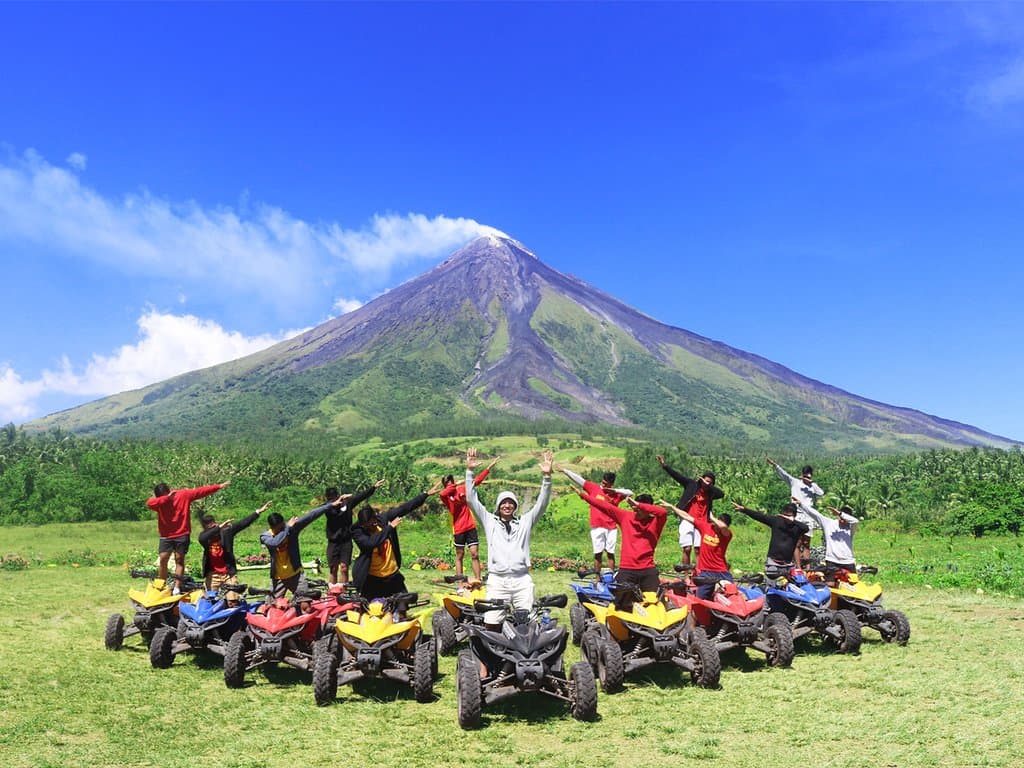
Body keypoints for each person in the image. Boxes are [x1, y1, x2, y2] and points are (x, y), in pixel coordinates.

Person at [465, 447, 553, 623]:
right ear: (498, 507)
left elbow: (541, 504)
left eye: (510, 503)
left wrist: (547, 478)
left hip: (521, 580)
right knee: (492, 621)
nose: (507, 506)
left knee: (527, 621)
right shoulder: (489, 521)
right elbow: (471, 499)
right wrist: (469, 471)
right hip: (497, 580)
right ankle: (494, 650)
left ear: (515, 506)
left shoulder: (525, 522)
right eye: (503, 503)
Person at [577, 490, 667, 610]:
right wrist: (584, 496)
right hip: (627, 569)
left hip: (647, 569)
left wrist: (639, 504)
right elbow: (605, 506)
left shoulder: (656, 522)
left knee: (657, 604)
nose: (637, 512)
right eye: (635, 509)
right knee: (621, 605)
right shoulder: (626, 517)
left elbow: (663, 512)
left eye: (640, 509)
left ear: (649, 510)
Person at [351, 485, 439, 600]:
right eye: (366, 526)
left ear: (375, 518)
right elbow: (370, 543)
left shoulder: (382, 520)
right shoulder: (357, 531)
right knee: (369, 609)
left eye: (372, 523)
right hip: (373, 577)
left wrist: (425, 494)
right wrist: (390, 527)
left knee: (403, 605)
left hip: (392, 574)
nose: (370, 527)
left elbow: (404, 508)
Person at [147, 480, 231, 588]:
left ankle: (177, 587)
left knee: (179, 560)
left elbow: (201, 491)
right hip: (166, 535)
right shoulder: (158, 502)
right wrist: (166, 498)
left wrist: (219, 486)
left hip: (182, 533)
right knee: (163, 558)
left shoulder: (183, 495)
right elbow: (149, 503)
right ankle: (160, 585)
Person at [260, 495, 347, 599]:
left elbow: (312, 515)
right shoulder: (266, 536)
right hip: (277, 578)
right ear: (272, 527)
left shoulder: (293, 528)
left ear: (283, 522)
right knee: (270, 606)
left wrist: (331, 504)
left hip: (295, 575)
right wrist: (287, 528)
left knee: (306, 604)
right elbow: (275, 543)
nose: (281, 530)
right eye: (278, 529)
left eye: (282, 526)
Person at [559, 464, 632, 574]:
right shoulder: (594, 488)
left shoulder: (616, 495)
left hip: (611, 527)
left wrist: (615, 491)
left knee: (610, 553)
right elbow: (579, 480)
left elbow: (630, 492)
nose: (602, 485)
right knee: (598, 553)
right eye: (602, 482)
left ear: (611, 484)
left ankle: (610, 578)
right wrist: (565, 471)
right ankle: (598, 580)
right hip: (597, 526)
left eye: (605, 484)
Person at [656, 456, 724, 567]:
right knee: (687, 548)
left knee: (698, 549)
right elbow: (677, 476)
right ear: (701, 479)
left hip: (702, 522)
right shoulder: (691, 485)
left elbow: (721, 494)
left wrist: (709, 486)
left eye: (710, 483)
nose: (707, 484)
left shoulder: (711, 493)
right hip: (687, 518)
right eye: (705, 481)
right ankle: (686, 574)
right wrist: (665, 466)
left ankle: (698, 574)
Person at [439, 457, 499, 582]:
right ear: (445, 486)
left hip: (470, 526)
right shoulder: (446, 497)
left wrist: (488, 468)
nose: (451, 486)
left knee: (474, 554)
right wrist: (456, 484)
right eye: (448, 484)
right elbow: (443, 493)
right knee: (460, 555)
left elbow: (476, 481)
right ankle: (460, 583)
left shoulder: (461, 489)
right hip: (458, 529)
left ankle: (478, 580)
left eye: (452, 482)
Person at [663, 501, 733, 600]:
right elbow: (687, 516)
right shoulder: (705, 527)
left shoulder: (727, 534)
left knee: (733, 595)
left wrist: (712, 518)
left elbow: (723, 527)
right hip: (706, 571)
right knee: (700, 599)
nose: (718, 527)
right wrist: (672, 507)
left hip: (722, 570)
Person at [198, 501, 270, 591]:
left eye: (215, 526)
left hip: (228, 573)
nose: (214, 530)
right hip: (213, 575)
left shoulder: (226, 531)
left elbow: (242, 523)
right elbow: (202, 538)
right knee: (211, 601)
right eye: (211, 528)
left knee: (233, 600)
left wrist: (258, 512)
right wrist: (218, 528)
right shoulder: (205, 538)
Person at [325, 479, 385, 586]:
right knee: (333, 568)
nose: (334, 501)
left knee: (344, 567)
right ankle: (332, 591)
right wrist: (334, 504)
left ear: (338, 496)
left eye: (335, 498)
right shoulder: (328, 508)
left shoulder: (347, 504)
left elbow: (361, 496)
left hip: (346, 540)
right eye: (331, 499)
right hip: (333, 541)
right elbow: (329, 511)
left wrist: (374, 487)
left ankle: (344, 592)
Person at [732, 501, 809, 578]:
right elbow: (760, 516)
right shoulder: (776, 521)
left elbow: (806, 528)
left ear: (794, 516)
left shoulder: (797, 527)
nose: (786, 518)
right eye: (785, 515)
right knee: (771, 583)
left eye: (789, 516)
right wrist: (744, 510)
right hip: (773, 561)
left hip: (788, 563)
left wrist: (793, 521)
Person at [794, 499, 859, 573]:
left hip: (848, 561)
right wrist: (802, 504)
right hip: (832, 560)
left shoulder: (851, 528)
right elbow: (815, 514)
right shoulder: (829, 523)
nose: (843, 519)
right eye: (841, 517)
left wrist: (840, 513)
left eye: (845, 518)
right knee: (830, 584)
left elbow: (855, 521)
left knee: (853, 582)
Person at [767, 458, 824, 535]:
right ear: (802, 474)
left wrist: (811, 483)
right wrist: (775, 465)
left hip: (808, 515)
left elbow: (821, 493)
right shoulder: (795, 482)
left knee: (806, 541)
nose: (807, 479)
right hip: (797, 514)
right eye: (805, 476)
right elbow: (784, 474)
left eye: (809, 477)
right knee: (797, 540)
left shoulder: (813, 486)